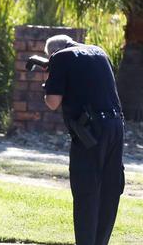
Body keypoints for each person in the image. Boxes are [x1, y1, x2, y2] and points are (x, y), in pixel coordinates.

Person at [43, 34, 124, 245]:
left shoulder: (60, 57)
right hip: (115, 127)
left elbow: (52, 102)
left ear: (52, 53)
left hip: (90, 131)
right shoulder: (99, 52)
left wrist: (49, 81)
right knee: (109, 189)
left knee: (86, 190)